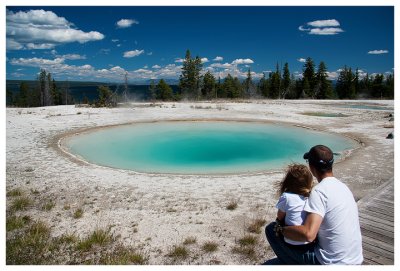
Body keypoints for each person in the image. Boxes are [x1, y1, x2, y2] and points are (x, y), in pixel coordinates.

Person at [265, 145, 363, 265]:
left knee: (270, 230)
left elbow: (308, 234)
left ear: (311, 167)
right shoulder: (343, 187)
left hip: (331, 262)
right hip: (355, 259)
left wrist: (281, 229)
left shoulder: (319, 191)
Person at [274, 164, 314, 248]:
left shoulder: (287, 197)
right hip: (310, 241)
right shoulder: (312, 197)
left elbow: (280, 216)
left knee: (272, 228)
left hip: (291, 240)